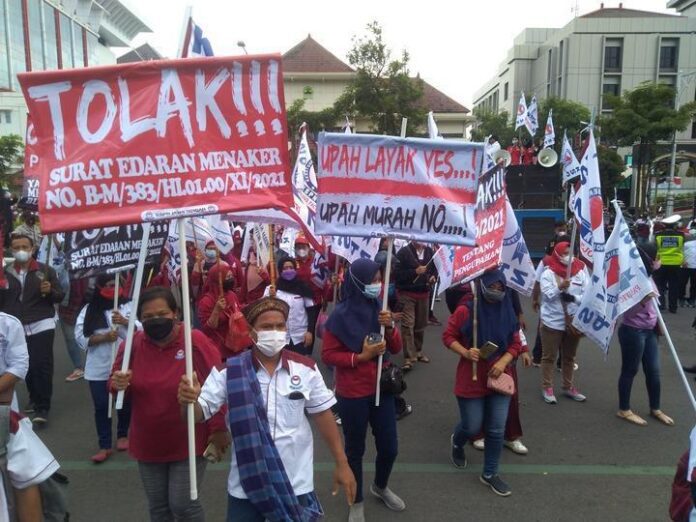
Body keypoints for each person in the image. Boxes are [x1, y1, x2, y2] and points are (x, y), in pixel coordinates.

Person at [178, 296, 356, 522]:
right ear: (252, 332)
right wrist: (187, 401)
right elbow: (196, 414)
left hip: (295, 481)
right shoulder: (228, 372)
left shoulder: (306, 369)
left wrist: (342, 463)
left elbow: (322, 414)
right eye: (266, 327)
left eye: (279, 326)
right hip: (246, 485)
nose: (275, 332)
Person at [109, 286, 228, 521]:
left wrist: (219, 427)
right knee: (159, 508)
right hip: (148, 440)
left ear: (175, 313)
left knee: (183, 505)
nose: (156, 320)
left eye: (162, 314)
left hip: (188, 438)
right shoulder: (132, 344)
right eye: (148, 317)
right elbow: (115, 384)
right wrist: (118, 384)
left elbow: (218, 383)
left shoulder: (194, 341)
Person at [322, 258, 405, 521]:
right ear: (358, 282)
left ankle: (380, 486)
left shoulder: (381, 309)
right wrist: (361, 357)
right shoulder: (338, 316)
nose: (378, 285)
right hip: (352, 394)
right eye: (373, 280)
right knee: (354, 450)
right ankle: (355, 500)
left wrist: (390, 325)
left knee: (390, 447)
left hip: (383, 390)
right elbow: (329, 355)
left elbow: (396, 349)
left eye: (380, 279)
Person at [443, 269, 523, 497]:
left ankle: (489, 473)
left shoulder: (507, 308)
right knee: (472, 425)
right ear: (482, 285)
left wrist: (505, 360)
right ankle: (457, 442)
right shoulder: (467, 308)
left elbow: (515, 342)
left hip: (499, 376)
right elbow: (448, 336)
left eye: (501, 288)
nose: (497, 292)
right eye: (492, 287)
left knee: (497, 429)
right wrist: (466, 352)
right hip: (472, 376)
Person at [0, 233, 65, 425]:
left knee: (41, 364)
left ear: (33, 248)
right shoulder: (5, 273)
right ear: (10, 250)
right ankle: (33, 395)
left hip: (41, 322)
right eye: (16, 247)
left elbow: (60, 295)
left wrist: (49, 291)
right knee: (23, 364)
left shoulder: (45, 271)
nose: (21, 250)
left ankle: (43, 407)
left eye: (24, 246)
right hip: (15, 326)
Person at [75, 274, 137, 463]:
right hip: (98, 367)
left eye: (116, 284)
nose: (113, 288)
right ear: (100, 287)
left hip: (123, 364)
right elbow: (79, 337)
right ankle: (104, 444)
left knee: (124, 402)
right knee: (102, 405)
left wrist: (126, 322)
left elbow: (142, 331)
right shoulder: (89, 309)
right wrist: (103, 338)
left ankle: (122, 435)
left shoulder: (128, 306)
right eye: (108, 285)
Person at [616, 247, 674, 427]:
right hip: (633, 331)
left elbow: (654, 306)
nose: (656, 261)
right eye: (653, 258)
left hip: (650, 331)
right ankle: (624, 409)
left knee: (654, 371)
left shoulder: (649, 277)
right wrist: (641, 299)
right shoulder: (627, 278)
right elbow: (623, 308)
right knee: (630, 370)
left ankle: (655, 408)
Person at [539, 242, 589, 404]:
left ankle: (568, 387)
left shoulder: (581, 270)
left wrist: (574, 298)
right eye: (565, 252)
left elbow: (588, 294)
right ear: (558, 254)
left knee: (569, 357)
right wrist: (559, 287)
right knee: (549, 357)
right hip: (552, 322)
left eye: (571, 252)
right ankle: (547, 387)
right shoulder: (548, 273)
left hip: (573, 321)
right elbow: (546, 296)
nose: (569, 255)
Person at [394, 241, 437, 371]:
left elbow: (434, 270)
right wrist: (414, 271)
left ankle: (418, 351)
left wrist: (433, 277)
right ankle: (408, 357)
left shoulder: (430, 252)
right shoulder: (403, 252)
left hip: (424, 293)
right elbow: (397, 274)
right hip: (407, 293)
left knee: (420, 324)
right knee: (408, 324)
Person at [264, 256, 316, 356]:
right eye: (285, 268)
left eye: (291, 267)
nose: (288, 270)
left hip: (300, 336)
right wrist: (270, 297)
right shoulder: (272, 288)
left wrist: (310, 332)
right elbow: (263, 311)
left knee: (300, 367)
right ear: (280, 270)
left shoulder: (303, 287)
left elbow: (311, 311)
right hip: (280, 337)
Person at [197, 261, 247, 360]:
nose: (231, 280)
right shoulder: (206, 302)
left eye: (231, 277)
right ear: (217, 281)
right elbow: (207, 330)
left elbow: (240, 310)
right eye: (227, 278)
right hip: (220, 352)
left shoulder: (231, 295)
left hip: (237, 348)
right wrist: (217, 310)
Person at [59, 279, 89, 382]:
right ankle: (79, 368)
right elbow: (58, 289)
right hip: (67, 307)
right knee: (70, 338)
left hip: (87, 304)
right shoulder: (62, 268)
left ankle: (93, 364)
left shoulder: (90, 267)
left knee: (91, 334)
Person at [655, 215, 685, 313]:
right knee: (674, 286)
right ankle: (673, 307)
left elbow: (656, 249)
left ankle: (661, 305)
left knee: (660, 285)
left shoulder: (658, 235)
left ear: (664, 225)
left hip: (661, 263)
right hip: (676, 264)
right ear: (675, 225)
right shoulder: (681, 235)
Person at [681, 231, 696, 308]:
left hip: (689, 266)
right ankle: (684, 299)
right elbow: (681, 252)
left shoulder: (687, 244)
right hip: (686, 266)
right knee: (685, 283)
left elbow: (681, 252)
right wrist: (683, 261)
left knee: (689, 284)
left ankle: (690, 299)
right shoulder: (687, 244)